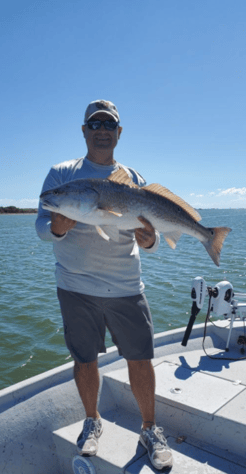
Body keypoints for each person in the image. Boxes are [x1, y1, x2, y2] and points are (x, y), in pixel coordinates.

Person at [35, 99, 173, 470]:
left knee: (141, 360)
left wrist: (149, 239)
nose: (101, 130)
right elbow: (42, 226)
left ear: (118, 133)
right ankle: (92, 420)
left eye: (108, 125)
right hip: (75, 287)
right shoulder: (62, 174)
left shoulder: (132, 178)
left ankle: (149, 428)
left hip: (127, 287)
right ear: (83, 130)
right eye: (94, 124)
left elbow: (154, 238)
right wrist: (57, 227)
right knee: (85, 360)